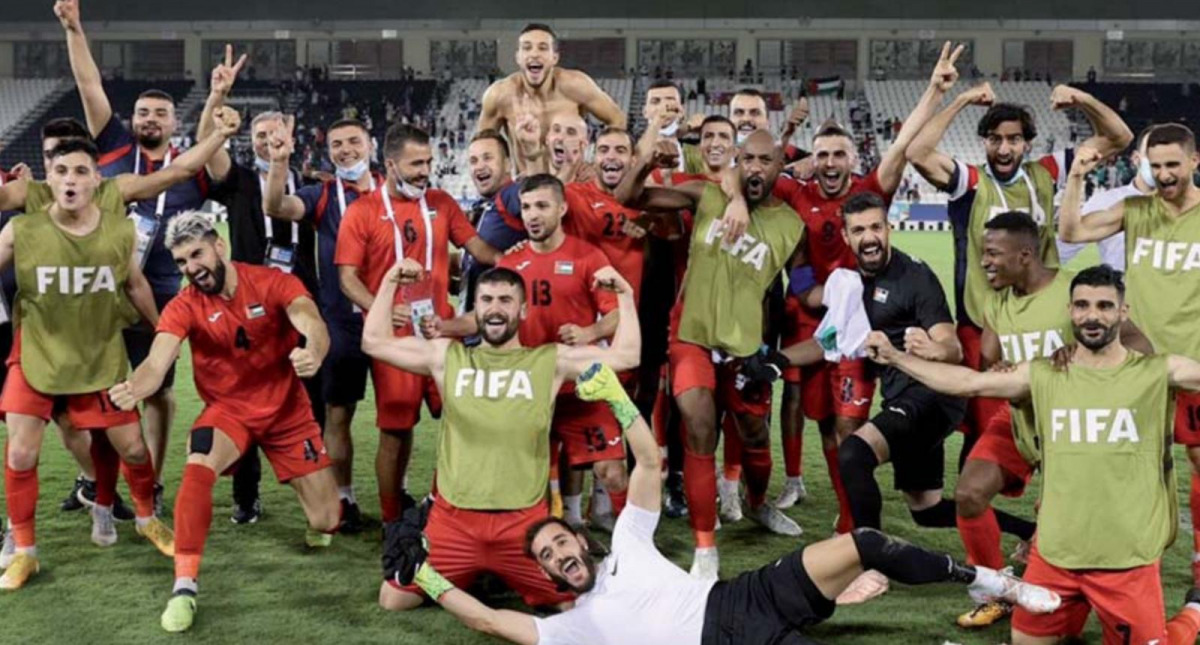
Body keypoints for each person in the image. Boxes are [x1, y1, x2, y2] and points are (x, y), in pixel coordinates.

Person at [383, 363, 1061, 645]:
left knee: (867, 543)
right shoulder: (571, 629)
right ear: (548, 578)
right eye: (548, 557)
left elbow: (650, 460)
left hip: (745, 598)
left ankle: (999, 581)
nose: (560, 553)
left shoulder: (627, 543)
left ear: (580, 541)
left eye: (560, 541)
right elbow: (484, 618)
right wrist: (425, 575)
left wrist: (612, 396)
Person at [866, 265, 1200, 645]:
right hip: (1055, 556)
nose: (1093, 316)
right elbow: (968, 383)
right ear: (1070, 311)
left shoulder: (1160, 372)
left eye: (1105, 306)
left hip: (1126, 560)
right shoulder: (1044, 374)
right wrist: (895, 357)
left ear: (1123, 313)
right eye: (1082, 305)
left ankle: (1193, 614)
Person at [107, 212, 340, 632]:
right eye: (180, 262)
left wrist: (315, 350)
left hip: (287, 411)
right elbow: (157, 360)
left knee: (327, 519)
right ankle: (184, 587)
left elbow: (310, 319)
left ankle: (310, 500)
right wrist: (137, 385)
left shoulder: (270, 281)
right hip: (229, 412)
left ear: (219, 246)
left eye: (196, 254)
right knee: (199, 463)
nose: (191, 268)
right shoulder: (184, 305)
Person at [367, 258, 640, 612]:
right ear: (476, 308)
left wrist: (626, 296)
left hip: (524, 526)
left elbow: (627, 355)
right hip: (454, 521)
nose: (495, 309)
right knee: (394, 599)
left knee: (571, 606)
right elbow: (373, 341)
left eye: (505, 300)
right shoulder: (446, 356)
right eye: (486, 300)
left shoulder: (549, 360)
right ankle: (473, 571)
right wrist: (389, 280)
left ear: (523, 310)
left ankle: (487, 572)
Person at [771, 43, 968, 526]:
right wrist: (804, 289)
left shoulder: (866, 195)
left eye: (840, 153)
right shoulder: (796, 189)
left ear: (852, 157)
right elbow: (752, 171)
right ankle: (813, 489)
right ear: (812, 160)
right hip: (818, 323)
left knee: (849, 426)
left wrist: (934, 91)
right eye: (822, 155)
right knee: (815, 415)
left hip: (873, 324)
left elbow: (902, 148)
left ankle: (851, 523)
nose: (831, 161)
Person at [57, 0, 227, 511]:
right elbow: (90, 84)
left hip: (158, 299)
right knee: (84, 395)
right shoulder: (109, 144)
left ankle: (148, 477)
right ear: (132, 119)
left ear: (176, 123)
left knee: (155, 390)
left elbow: (213, 151)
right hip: (95, 297)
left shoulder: (190, 168)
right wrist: (74, 28)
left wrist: (219, 95)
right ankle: (96, 480)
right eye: (144, 112)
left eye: (161, 113)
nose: (150, 119)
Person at [616, 130, 805, 579]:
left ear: (782, 167)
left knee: (755, 436)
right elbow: (630, 197)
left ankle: (757, 504)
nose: (757, 168)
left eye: (767, 161)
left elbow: (800, 289)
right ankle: (705, 549)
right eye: (750, 159)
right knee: (698, 425)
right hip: (691, 337)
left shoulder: (792, 228)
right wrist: (644, 161)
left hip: (745, 349)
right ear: (739, 160)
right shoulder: (705, 195)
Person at [904, 80, 1133, 445]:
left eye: (1013, 139)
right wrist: (962, 99)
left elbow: (1120, 137)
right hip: (984, 322)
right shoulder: (971, 182)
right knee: (985, 430)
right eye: (995, 138)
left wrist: (1082, 99)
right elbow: (917, 151)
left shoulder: (1046, 172)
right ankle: (980, 498)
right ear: (985, 142)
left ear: (1027, 143)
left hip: (1048, 321)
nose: (1004, 147)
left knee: (1065, 422)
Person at [950, 211, 1149, 627]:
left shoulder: (1075, 292)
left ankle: (1092, 600)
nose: (983, 262)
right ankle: (999, 590)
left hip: (1078, 426)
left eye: (992, 254)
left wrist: (1085, 357)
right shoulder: (997, 301)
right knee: (969, 494)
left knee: (1068, 530)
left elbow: (1138, 344)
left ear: (1025, 255)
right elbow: (990, 360)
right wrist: (1001, 369)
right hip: (1021, 417)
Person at [0, 139, 176, 591]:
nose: (71, 180)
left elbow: (135, 285)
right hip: (37, 352)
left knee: (133, 449)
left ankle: (142, 517)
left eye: (81, 172)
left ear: (97, 180)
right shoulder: (21, 231)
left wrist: (163, 332)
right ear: (48, 179)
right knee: (21, 451)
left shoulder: (120, 231)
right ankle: (24, 552)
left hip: (101, 353)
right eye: (62, 172)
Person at [759, 193, 966, 571]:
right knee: (927, 509)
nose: (869, 237)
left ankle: (869, 565)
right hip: (902, 397)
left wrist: (933, 349)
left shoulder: (915, 277)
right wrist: (776, 361)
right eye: (859, 230)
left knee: (854, 454)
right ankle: (1027, 531)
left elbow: (952, 348)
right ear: (847, 236)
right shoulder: (850, 282)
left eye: (875, 227)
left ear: (889, 229)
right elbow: (830, 341)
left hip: (934, 396)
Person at [428, 174, 631, 531]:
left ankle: (630, 549)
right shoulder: (511, 262)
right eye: (526, 207)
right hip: (528, 387)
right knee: (526, 477)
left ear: (562, 208)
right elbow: (484, 318)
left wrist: (590, 331)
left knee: (612, 472)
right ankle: (561, 526)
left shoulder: (588, 256)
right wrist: (444, 327)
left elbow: (616, 313)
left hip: (580, 383)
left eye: (542, 206)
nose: (532, 215)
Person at [335, 123, 501, 525]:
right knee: (397, 428)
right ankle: (394, 522)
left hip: (441, 331)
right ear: (390, 164)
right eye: (415, 164)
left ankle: (448, 506)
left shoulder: (441, 202)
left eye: (428, 162)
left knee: (465, 420)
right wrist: (380, 307)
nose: (424, 170)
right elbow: (347, 278)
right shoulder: (362, 212)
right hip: (395, 340)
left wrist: (520, 261)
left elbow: (477, 249)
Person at [1059, 123, 1200, 588]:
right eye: (1154, 166)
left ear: (1194, 162)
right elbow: (1073, 229)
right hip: (1139, 367)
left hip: (1195, 365)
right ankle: (1129, 564)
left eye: (1172, 165)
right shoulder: (1137, 210)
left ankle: (1199, 563)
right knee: (1133, 465)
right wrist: (1077, 176)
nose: (1163, 175)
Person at [199, 48, 325, 524]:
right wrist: (217, 99)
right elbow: (209, 151)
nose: (268, 140)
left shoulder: (313, 185)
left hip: (299, 307)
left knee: (307, 402)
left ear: (291, 136)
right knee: (246, 400)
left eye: (276, 133)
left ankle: (317, 493)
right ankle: (246, 497)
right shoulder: (240, 181)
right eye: (258, 134)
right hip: (249, 311)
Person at [260, 116, 384, 532]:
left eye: (353, 141)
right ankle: (344, 498)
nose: (345, 150)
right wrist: (280, 162)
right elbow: (275, 206)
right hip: (341, 322)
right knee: (337, 413)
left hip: (391, 321)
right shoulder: (323, 195)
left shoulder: (394, 190)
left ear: (371, 144)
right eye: (336, 144)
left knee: (397, 417)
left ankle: (396, 493)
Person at [478, 23, 626, 175]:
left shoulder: (576, 86)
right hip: (527, 188)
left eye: (542, 48)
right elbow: (482, 145)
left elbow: (617, 120)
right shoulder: (500, 95)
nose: (534, 54)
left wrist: (597, 164)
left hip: (571, 185)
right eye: (527, 47)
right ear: (518, 57)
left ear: (554, 57)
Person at [1057, 126, 1159, 272]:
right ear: (1136, 159)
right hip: (1121, 292)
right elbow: (1059, 253)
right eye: (1153, 154)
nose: (1160, 164)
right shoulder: (1106, 202)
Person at [460, 130, 519, 312]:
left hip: (497, 329)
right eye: (474, 161)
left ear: (508, 164)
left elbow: (544, 202)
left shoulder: (512, 194)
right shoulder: (483, 206)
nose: (479, 166)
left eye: (487, 158)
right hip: (473, 326)